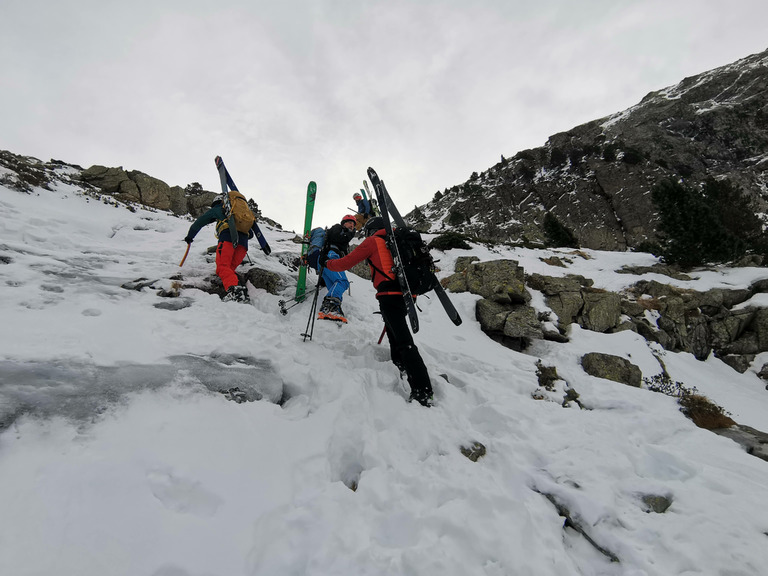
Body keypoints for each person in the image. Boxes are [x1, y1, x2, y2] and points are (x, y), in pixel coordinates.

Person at [321, 217, 434, 406]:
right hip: (406, 294)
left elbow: (346, 263)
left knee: (404, 341)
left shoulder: (373, 241)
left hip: (389, 294)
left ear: (372, 230)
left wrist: (326, 263)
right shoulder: (396, 243)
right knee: (394, 332)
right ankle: (400, 365)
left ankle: (423, 390)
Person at [184, 194, 258, 303]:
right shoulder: (238, 213)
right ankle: (241, 291)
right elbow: (250, 234)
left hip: (228, 240)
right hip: (243, 245)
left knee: (222, 268)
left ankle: (235, 291)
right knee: (229, 269)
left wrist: (190, 236)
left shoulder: (219, 208)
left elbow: (200, 222)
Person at [306, 215, 356, 321]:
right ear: (343, 223)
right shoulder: (338, 228)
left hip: (325, 262)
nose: (352, 225)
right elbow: (336, 238)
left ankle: (333, 310)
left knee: (334, 286)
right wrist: (350, 234)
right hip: (331, 257)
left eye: (353, 224)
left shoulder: (345, 234)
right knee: (342, 281)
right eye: (350, 222)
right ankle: (329, 307)